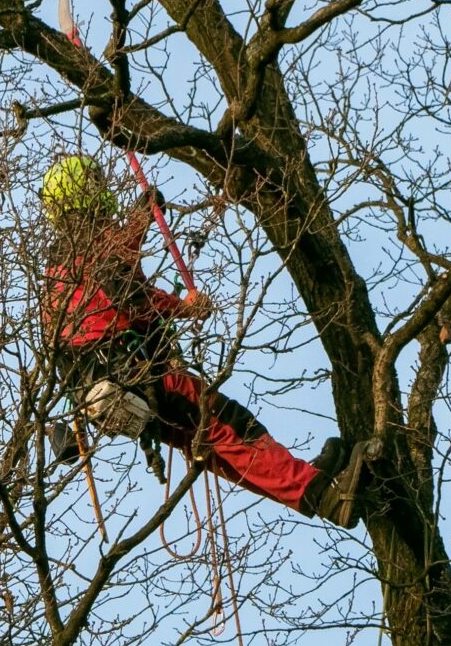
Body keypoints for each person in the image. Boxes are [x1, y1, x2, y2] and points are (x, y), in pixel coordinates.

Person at [39, 153, 376, 527]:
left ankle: (305, 487)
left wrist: (141, 217)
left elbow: (111, 274)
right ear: (92, 191)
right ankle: (318, 493)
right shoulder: (97, 244)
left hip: (107, 393)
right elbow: (127, 294)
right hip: (140, 373)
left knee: (210, 447)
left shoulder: (58, 266)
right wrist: (184, 308)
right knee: (229, 423)